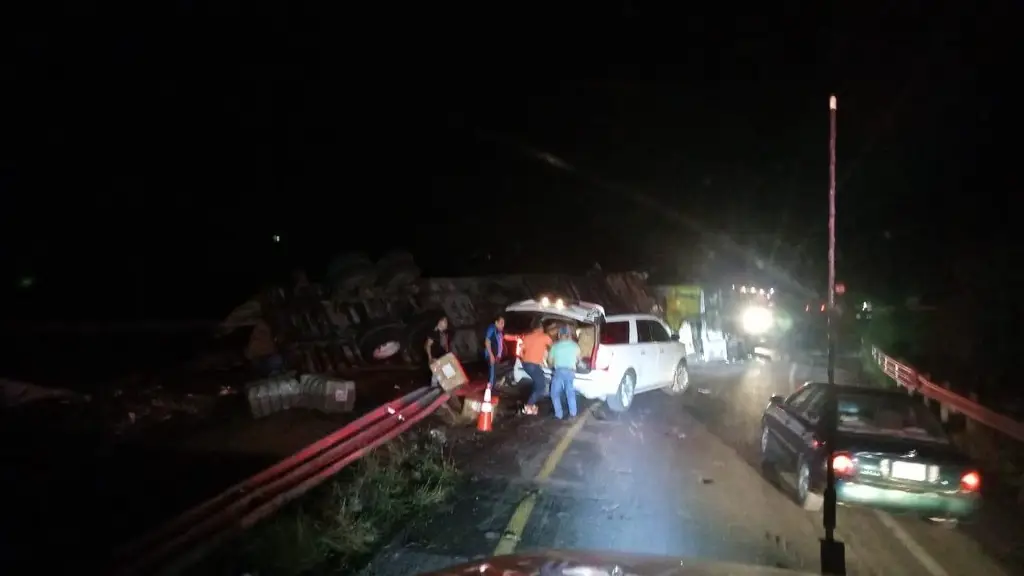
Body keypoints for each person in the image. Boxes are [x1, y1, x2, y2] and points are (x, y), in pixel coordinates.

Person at [547, 325, 581, 420]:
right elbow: (579, 360)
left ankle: (559, 414)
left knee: (554, 393)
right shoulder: (575, 346)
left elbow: (550, 361)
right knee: (570, 393)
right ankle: (573, 414)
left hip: (559, 371)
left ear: (559, 335)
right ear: (568, 334)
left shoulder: (555, 346)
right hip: (570, 371)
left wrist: (552, 366)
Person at [519, 320, 553, 415]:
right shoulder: (544, 336)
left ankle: (531, 404)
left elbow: (521, 351)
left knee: (537, 382)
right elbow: (553, 347)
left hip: (525, 364)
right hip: (533, 365)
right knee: (541, 386)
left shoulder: (527, 337)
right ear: (541, 328)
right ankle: (528, 406)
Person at [483, 314, 506, 388]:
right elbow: (487, 341)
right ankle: (490, 391)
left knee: (494, 373)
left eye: (504, 323)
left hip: (496, 356)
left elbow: (500, 343)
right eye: (501, 323)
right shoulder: (492, 329)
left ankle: (492, 389)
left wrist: (499, 355)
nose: (503, 325)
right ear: (496, 322)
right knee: (492, 374)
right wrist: (491, 355)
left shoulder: (499, 331)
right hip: (491, 355)